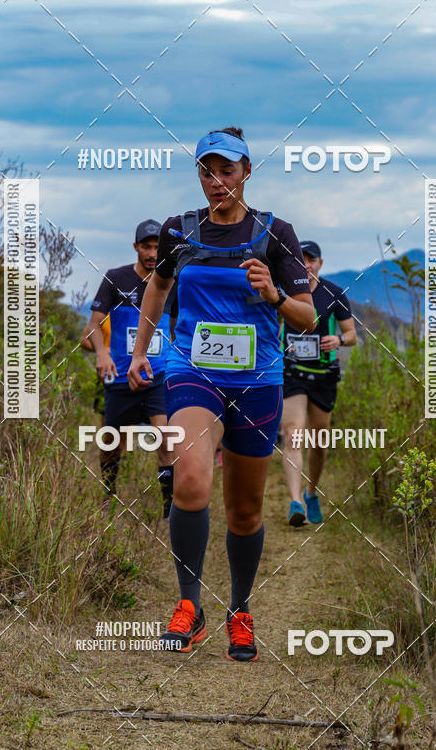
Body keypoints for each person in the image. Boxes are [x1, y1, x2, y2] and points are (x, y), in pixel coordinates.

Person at [127, 126, 316, 661]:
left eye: (226, 170)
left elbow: (307, 314)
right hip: (193, 370)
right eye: (207, 171)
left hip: (257, 380)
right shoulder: (179, 232)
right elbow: (159, 288)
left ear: (247, 172)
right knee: (189, 479)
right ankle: (190, 606)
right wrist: (143, 352)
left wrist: (274, 294)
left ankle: (239, 610)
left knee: (245, 510)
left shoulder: (275, 233)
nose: (216, 181)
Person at [83, 220, 177, 514]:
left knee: (165, 437)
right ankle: (107, 497)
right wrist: (102, 352)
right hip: (120, 376)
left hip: (158, 375)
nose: (152, 253)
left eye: (157, 247)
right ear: (136, 247)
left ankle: (168, 509)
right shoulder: (116, 279)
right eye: (146, 246)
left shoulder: (173, 281)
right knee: (111, 441)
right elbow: (92, 326)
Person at [280, 240, 357, 526]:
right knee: (293, 434)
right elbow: (272, 324)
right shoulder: (283, 292)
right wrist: (279, 347)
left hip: (324, 376)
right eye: (301, 259)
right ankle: (295, 502)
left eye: (311, 259)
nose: (306, 264)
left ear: (320, 264)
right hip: (293, 373)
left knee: (319, 442)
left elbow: (352, 335)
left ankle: (312, 492)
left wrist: (338, 340)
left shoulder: (334, 294)